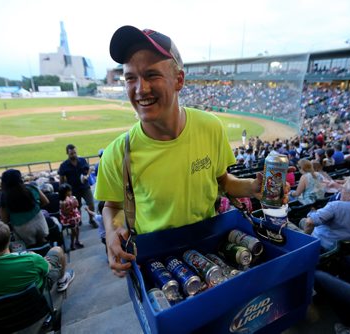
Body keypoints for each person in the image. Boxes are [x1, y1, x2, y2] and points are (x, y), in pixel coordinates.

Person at [96, 25, 262, 277]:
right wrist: (111, 231)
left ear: (179, 80)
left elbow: (223, 181)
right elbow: (112, 206)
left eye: (152, 75)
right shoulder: (117, 153)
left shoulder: (210, 127)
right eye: (131, 78)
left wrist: (253, 187)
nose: (140, 89)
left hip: (212, 249)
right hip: (158, 263)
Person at [0, 220, 75, 304]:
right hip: (34, 304)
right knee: (57, 251)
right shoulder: (31, 259)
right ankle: (63, 279)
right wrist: (39, 259)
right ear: (9, 242)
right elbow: (49, 268)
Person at [299, 176, 350, 251]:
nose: (341, 191)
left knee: (301, 222)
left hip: (323, 246)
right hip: (347, 248)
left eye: (343, 189)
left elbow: (309, 223)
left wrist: (303, 243)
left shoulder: (336, 206)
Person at [0, 169, 49, 247]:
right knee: (43, 243)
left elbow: (4, 220)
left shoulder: (3, 198)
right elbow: (46, 201)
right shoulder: (31, 187)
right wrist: (35, 208)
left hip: (21, 230)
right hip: (40, 224)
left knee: (31, 248)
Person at [58, 144, 97, 228]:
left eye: (75, 152)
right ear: (67, 153)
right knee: (76, 206)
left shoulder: (82, 160)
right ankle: (78, 220)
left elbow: (87, 170)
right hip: (73, 190)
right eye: (71, 153)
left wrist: (87, 176)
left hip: (85, 187)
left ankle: (91, 220)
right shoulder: (63, 165)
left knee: (91, 204)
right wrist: (62, 192)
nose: (73, 155)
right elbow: (61, 180)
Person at [59, 183, 83, 250]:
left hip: (75, 216)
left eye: (70, 191)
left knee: (77, 228)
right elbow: (65, 213)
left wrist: (75, 204)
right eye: (68, 191)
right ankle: (72, 244)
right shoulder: (62, 202)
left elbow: (76, 205)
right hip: (69, 219)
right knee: (74, 231)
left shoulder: (72, 197)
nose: (70, 192)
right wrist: (72, 206)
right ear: (64, 193)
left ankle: (77, 241)